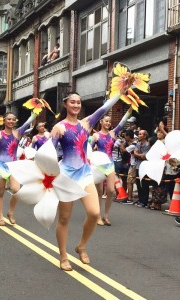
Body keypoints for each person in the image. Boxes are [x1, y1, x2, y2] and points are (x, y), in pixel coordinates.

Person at [50, 85, 132, 271]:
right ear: (65, 104)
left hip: (85, 173)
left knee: (94, 213)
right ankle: (63, 256)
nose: (76, 105)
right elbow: (48, 152)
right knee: (64, 218)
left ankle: (81, 246)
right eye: (72, 102)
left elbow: (104, 108)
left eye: (78, 102)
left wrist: (121, 92)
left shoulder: (86, 123)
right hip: (66, 175)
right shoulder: (59, 127)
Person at [0, 112, 36, 225]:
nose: (11, 121)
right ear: (4, 121)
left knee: (16, 190)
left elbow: (29, 121)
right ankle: (0, 216)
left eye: (13, 119)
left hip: (14, 165)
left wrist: (35, 111)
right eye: (9, 119)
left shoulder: (18, 133)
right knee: (0, 192)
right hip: (0, 165)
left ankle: (10, 212)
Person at [91, 108, 132, 225]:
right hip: (98, 165)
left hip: (110, 165)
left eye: (110, 121)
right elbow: (88, 149)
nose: (108, 123)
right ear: (101, 122)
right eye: (106, 121)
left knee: (110, 190)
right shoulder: (96, 136)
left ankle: (106, 216)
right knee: (99, 192)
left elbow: (122, 122)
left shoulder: (113, 134)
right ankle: (97, 216)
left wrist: (129, 110)